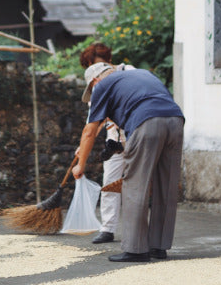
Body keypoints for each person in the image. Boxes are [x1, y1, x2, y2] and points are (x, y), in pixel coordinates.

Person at [72, 61, 185, 262]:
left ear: (95, 81)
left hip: (146, 123)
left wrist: (80, 165)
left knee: (135, 185)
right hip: (175, 121)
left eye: (91, 90)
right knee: (166, 186)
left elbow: (89, 130)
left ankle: (136, 249)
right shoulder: (140, 74)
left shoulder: (102, 87)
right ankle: (159, 247)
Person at [77, 43, 135, 245]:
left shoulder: (129, 72)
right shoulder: (96, 85)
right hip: (113, 138)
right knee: (109, 182)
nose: (96, 70)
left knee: (136, 183)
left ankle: (135, 230)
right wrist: (84, 144)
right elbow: (93, 121)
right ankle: (107, 229)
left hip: (135, 134)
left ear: (108, 61)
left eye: (98, 64)